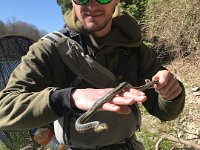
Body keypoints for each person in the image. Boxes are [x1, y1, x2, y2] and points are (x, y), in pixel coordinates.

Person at [0, 0, 185, 149]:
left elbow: (166, 112)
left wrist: (172, 93)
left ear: (115, 1)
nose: (92, 4)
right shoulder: (49, 50)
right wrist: (67, 98)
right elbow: (4, 108)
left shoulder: (135, 50)